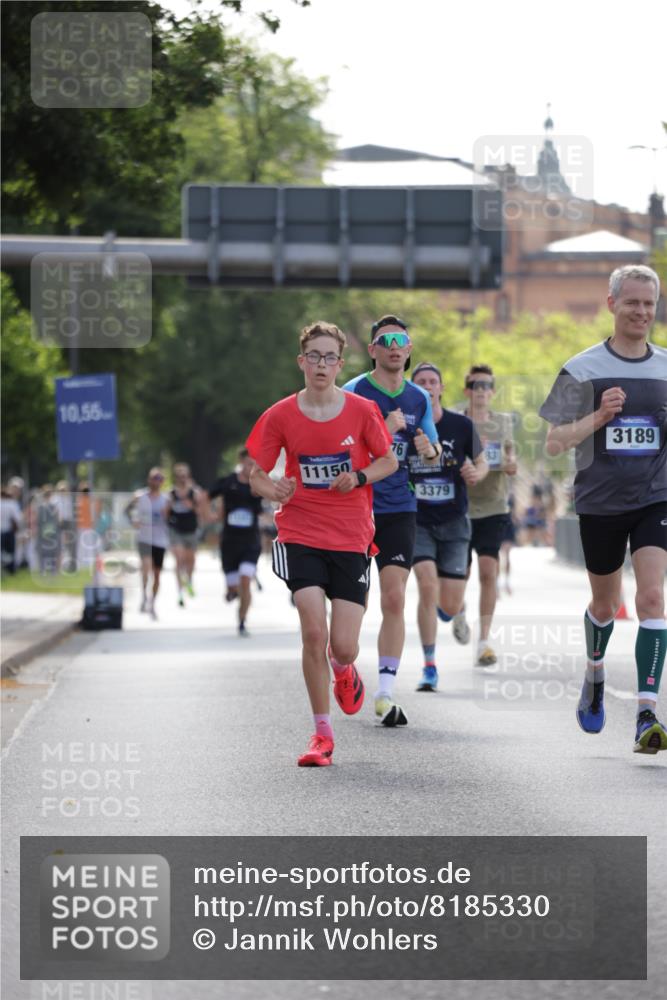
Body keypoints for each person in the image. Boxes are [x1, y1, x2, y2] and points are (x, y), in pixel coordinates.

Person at [246, 321, 397, 766]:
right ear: (302, 362)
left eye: (330, 357)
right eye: (314, 356)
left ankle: (345, 670)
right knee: (313, 630)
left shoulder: (362, 410)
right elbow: (255, 472)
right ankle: (322, 735)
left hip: (351, 534)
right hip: (300, 531)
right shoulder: (280, 415)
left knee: (342, 646)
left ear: (340, 364)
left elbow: (388, 459)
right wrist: (271, 488)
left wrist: (361, 477)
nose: (321, 365)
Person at [540, 264, 667, 754]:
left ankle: (646, 714)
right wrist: (599, 415)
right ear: (612, 304)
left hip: (655, 497)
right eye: (632, 302)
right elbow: (553, 443)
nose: (641, 311)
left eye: (649, 303)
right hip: (599, 503)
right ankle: (594, 675)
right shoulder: (582, 367)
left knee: (652, 599)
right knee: (603, 604)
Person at [343, 316, 441, 726]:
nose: (395, 346)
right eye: (386, 341)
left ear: (409, 348)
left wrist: (429, 449)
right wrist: (382, 430)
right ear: (373, 350)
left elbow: (434, 453)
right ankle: (344, 667)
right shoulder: (352, 392)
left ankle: (384, 692)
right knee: (350, 604)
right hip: (354, 507)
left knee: (395, 597)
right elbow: (339, 452)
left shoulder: (418, 397)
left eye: (402, 340)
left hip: (400, 506)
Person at [410, 362, 487, 691]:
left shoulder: (461, 425)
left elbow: (482, 462)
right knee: (427, 585)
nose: (428, 386)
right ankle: (429, 665)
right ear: (413, 390)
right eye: (421, 382)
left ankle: (457, 609)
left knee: (449, 604)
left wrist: (476, 473)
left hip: (455, 521)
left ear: (441, 388)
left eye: (433, 381)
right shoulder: (405, 425)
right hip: (417, 520)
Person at [456, 365, 517, 666]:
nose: (481, 390)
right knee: (461, 574)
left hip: (494, 506)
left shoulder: (504, 423)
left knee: (488, 571)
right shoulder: (456, 420)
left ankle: (484, 641)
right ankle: (458, 610)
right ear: (467, 390)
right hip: (460, 507)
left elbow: (511, 459)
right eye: (475, 385)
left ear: (492, 391)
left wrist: (510, 464)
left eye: (486, 385)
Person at [208, 448, 264, 636]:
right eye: (249, 463)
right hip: (230, 543)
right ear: (241, 461)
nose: (251, 467)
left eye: (254, 464)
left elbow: (273, 500)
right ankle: (233, 591)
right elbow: (205, 497)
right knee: (234, 588)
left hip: (251, 541)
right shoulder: (228, 482)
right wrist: (209, 515)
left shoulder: (259, 483)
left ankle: (242, 620)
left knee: (246, 581)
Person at [125, 468, 169, 619]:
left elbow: (172, 518)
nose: (156, 481)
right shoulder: (139, 496)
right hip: (144, 538)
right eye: (153, 478)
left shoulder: (166, 500)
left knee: (157, 575)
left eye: (159, 479)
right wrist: (133, 522)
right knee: (145, 567)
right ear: (149, 480)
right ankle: (144, 595)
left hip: (160, 540)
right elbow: (127, 510)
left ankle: (152, 603)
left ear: (162, 482)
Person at [165, 463, 203, 606]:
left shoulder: (194, 492)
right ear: (176, 478)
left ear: (188, 477)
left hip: (191, 530)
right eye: (180, 476)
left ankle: (189, 581)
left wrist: (192, 506)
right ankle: (180, 592)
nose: (182, 479)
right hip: (176, 530)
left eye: (184, 476)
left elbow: (200, 512)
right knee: (179, 559)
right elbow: (166, 514)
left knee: (190, 561)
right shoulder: (171, 493)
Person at [1, 485, 22, 574]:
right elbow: (17, 518)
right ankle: (10, 570)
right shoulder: (12, 503)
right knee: (10, 552)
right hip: (9, 531)